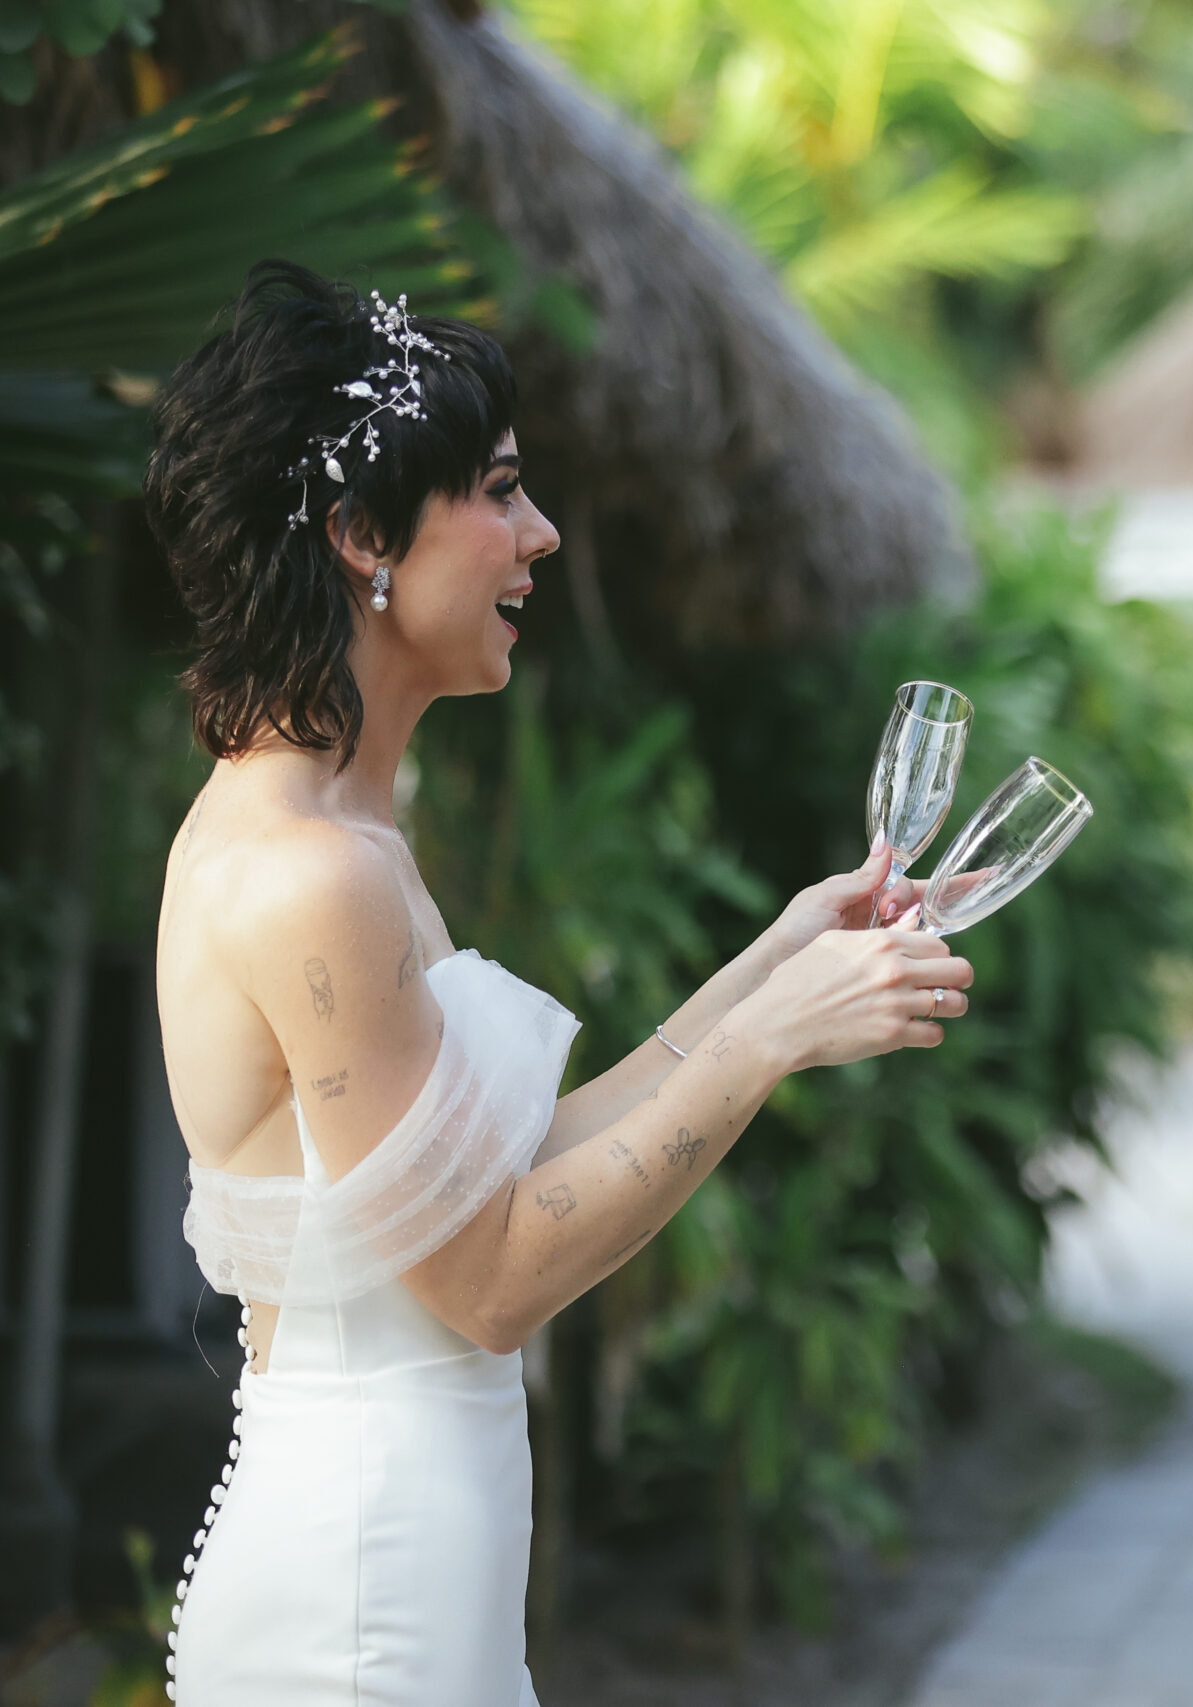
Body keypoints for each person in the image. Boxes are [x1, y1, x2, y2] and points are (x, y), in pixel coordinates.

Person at [146, 262, 972, 1705]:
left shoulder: (347, 832)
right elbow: (488, 1280)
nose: (543, 534)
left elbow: (498, 1180)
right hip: (361, 1609)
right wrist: (769, 1042)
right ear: (359, 533)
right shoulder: (307, 871)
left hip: (405, 1567)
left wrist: (776, 958)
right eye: (504, 489)